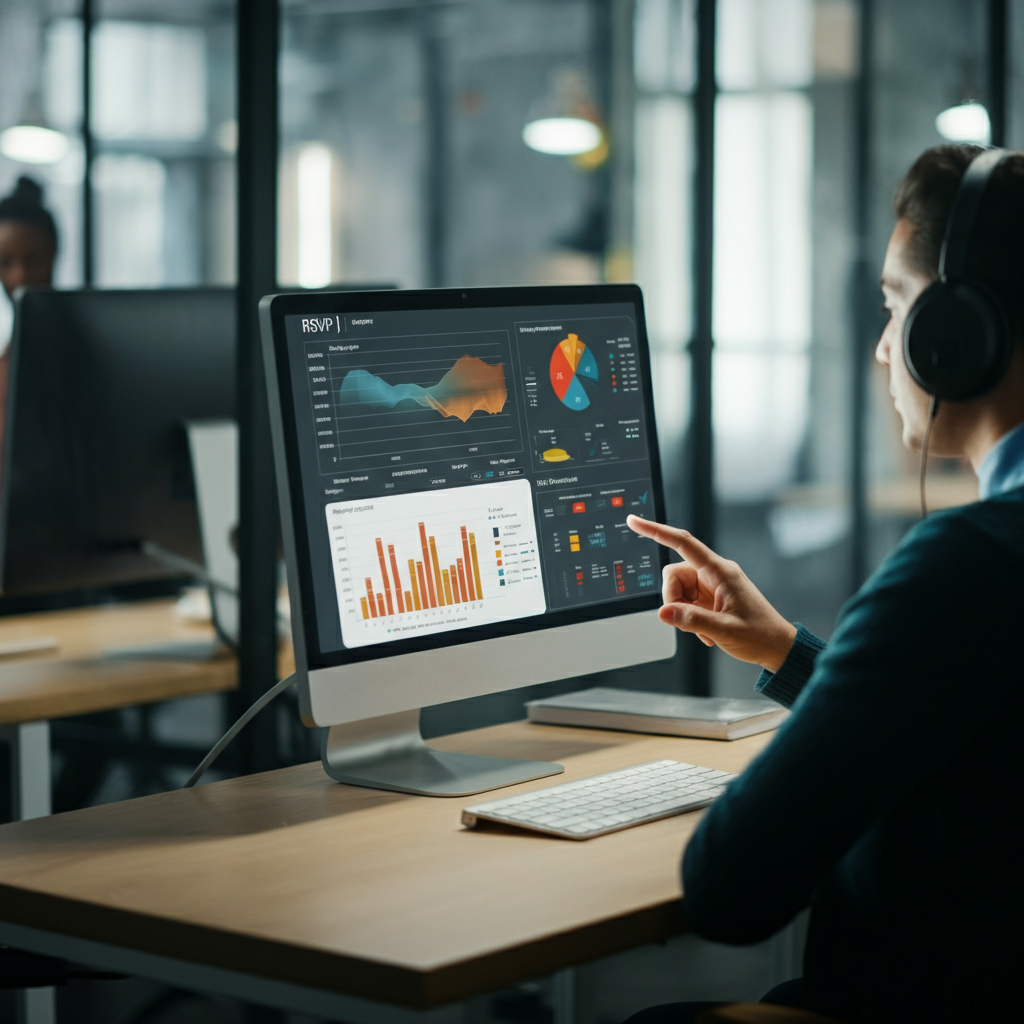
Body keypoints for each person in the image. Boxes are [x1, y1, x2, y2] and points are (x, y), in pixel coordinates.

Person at [623, 143, 1024, 1023]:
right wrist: (791, 654)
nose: (885, 351)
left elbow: (730, 893)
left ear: (956, 331)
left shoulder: (969, 564)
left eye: (896, 305)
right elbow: (969, 725)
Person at [0, 176, 58, 456]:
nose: (20, 276)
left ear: (53, 255)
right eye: (5, 262)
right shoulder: (5, 366)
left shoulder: (85, 358)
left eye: (32, 260)